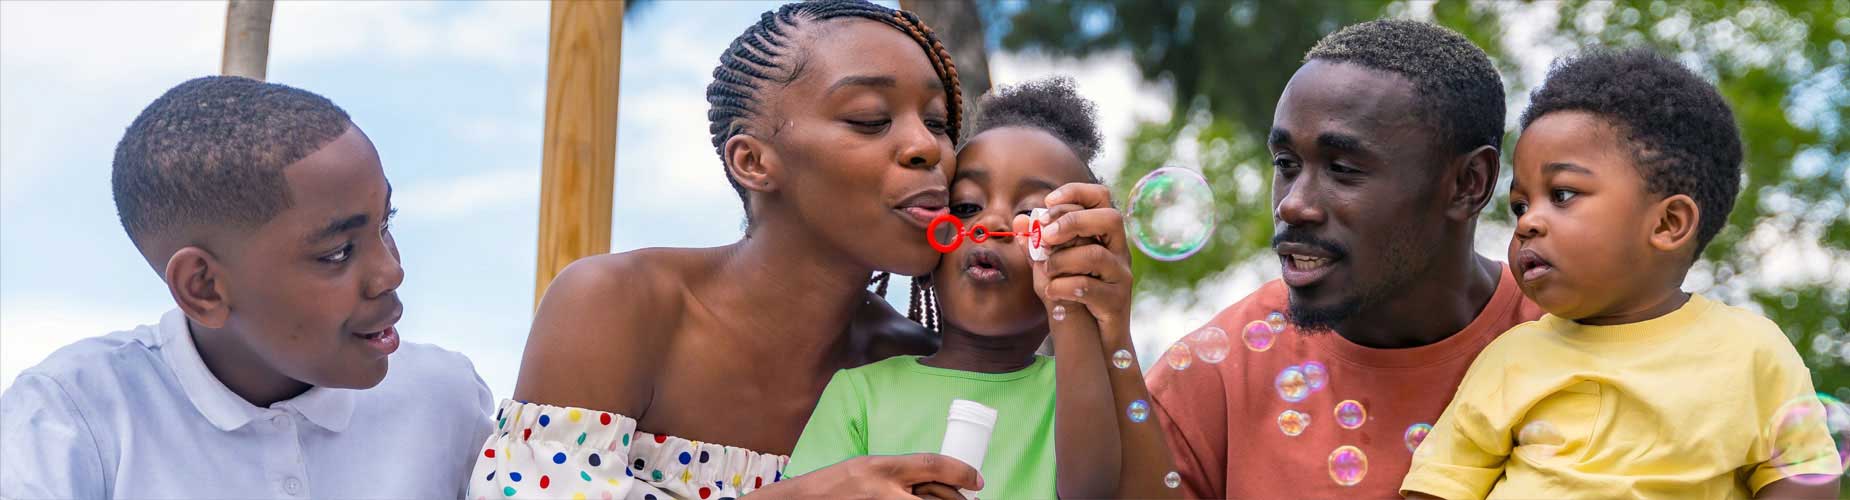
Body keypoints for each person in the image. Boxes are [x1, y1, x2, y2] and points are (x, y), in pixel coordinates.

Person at [470, 1, 985, 498]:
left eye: (938, 122)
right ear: (753, 162)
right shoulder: (618, 307)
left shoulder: (913, 362)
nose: (927, 148)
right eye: (870, 119)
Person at [0, 76, 493, 498]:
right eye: (337, 252)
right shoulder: (71, 418)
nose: (390, 273)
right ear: (203, 288)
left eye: (387, 223)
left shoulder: (447, 401)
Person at [1400, 48, 1839, 500]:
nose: (1527, 222)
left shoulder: (1752, 351)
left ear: (1668, 224)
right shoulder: (1511, 356)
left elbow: (1804, 473)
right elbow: (1441, 485)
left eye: (1563, 193)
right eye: (1520, 205)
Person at [1143, 19, 1545, 498]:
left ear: (1468, 184)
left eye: (1343, 169)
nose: (1292, 204)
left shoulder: (1577, 341)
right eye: (1286, 164)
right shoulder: (1211, 379)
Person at [784, 77, 1181, 499]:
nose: (990, 224)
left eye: (1031, 214)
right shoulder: (860, 393)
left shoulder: (1087, 397)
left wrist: (1074, 308)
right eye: (968, 206)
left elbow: (1090, 492)